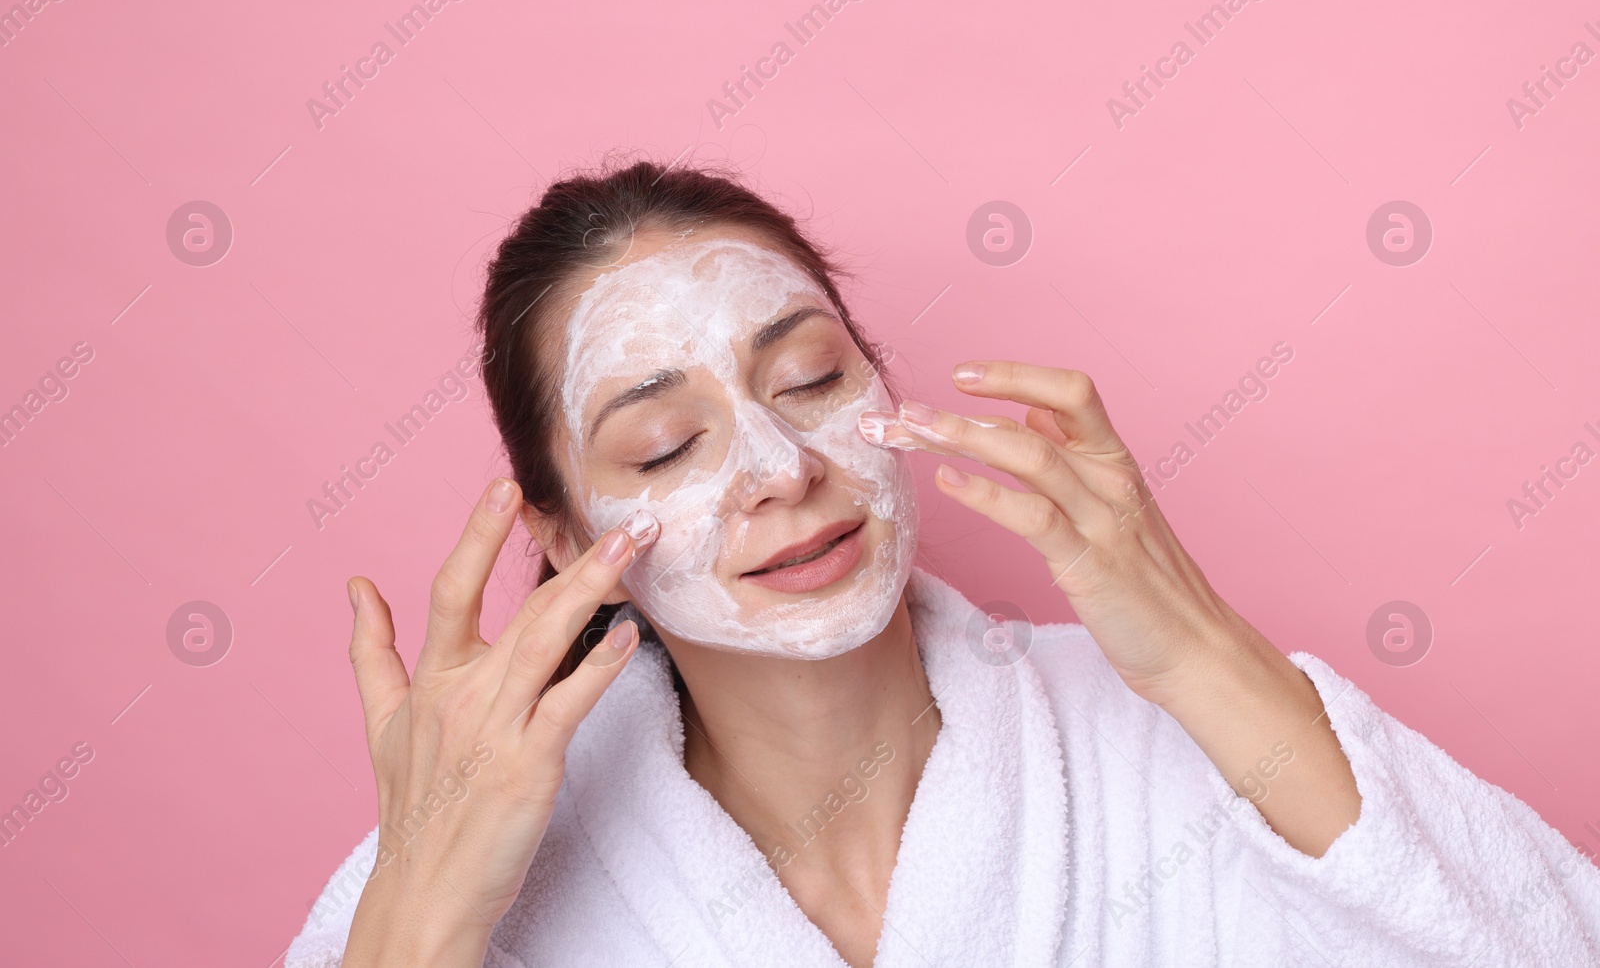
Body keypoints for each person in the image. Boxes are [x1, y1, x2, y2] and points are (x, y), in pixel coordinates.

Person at [287, 158, 1600, 968]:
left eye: (811, 377)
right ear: (568, 540)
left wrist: (1204, 654)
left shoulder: (1174, 750)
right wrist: (420, 918)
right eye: (669, 442)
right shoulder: (472, 868)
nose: (783, 467)